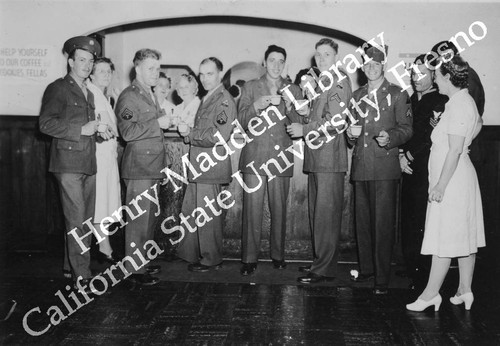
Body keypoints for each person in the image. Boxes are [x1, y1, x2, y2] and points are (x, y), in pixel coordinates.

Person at [406, 56, 485, 312]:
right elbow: (475, 128)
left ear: (448, 77)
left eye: (437, 76)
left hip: (451, 181)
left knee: (444, 238)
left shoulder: (461, 105)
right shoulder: (459, 102)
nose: (435, 81)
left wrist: (440, 185)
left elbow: (454, 151)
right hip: (456, 178)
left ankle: (430, 295)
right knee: (463, 235)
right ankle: (464, 290)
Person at [39, 36, 110, 292]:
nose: (87, 65)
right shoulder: (58, 88)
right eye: (82, 60)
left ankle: (72, 267)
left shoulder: (88, 92)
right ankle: (83, 276)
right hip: (67, 164)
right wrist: (81, 129)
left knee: (84, 220)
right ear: (70, 61)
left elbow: (89, 129)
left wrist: (98, 132)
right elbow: (46, 124)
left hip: (87, 163)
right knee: (78, 220)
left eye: (90, 61)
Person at [347, 45, 413, 295]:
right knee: (362, 223)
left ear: (384, 65)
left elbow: (407, 128)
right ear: (362, 67)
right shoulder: (356, 95)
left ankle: (382, 278)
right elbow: (352, 130)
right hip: (361, 165)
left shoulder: (397, 94)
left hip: (385, 167)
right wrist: (350, 136)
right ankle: (366, 270)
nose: (371, 67)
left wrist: (391, 137)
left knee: (383, 224)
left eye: (376, 64)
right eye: (367, 64)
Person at [287, 38, 352, 284]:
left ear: (336, 57)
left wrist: (304, 130)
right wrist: (306, 114)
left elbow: (335, 122)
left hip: (329, 159)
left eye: (326, 54)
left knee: (325, 215)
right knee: (318, 214)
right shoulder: (323, 82)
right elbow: (322, 116)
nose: (321, 59)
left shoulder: (337, 81)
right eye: (318, 55)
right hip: (319, 158)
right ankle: (320, 262)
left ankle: (324, 268)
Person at [237, 45, 302, 276]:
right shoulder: (251, 86)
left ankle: (278, 255)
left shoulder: (294, 88)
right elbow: (241, 120)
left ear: (285, 64)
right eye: (272, 60)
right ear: (264, 62)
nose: (276, 65)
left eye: (280, 61)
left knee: (279, 209)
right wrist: (257, 105)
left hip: (281, 157)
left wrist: (291, 102)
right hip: (255, 156)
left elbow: (298, 120)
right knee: (252, 211)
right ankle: (249, 259)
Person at [116, 49, 172, 286]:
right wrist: (157, 123)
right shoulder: (129, 96)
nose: (155, 73)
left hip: (150, 167)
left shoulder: (148, 94)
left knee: (148, 220)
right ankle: (133, 270)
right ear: (137, 69)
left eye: (158, 68)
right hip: (138, 167)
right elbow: (127, 133)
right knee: (138, 222)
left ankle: (142, 263)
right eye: (150, 68)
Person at [176, 57, 236, 272]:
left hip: (210, 164)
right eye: (201, 74)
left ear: (220, 73)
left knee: (207, 216)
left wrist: (190, 134)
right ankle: (192, 254)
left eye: (209, 74)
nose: (204, 78)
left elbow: (220, 135)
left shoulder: (224, 99)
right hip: (199, 164)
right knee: (193, 211)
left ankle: (211, 259)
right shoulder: (208, 97)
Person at [398, 55, 448, 289]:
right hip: (406, 166)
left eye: (422, 74)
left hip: (426, 167)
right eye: (413, 73)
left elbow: (429, 135)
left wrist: (408, 156)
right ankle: (410, 265)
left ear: (433, 77)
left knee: (422, 218)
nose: (415, 78)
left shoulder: (440, 100)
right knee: (408, 217)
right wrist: (400, 155)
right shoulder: (410, 98)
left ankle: (422, 271)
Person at [87, 57, 121, 265]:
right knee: (101, 202)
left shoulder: (103, 95)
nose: (106, 75)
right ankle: (103, 247)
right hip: (98, 155)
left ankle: (103, 245)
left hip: (107, 156)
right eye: (101, 71)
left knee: (105, 200)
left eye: (109, 71)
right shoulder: (91, 93)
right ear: (91, 73)